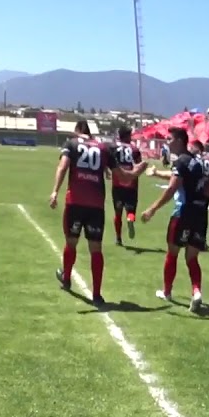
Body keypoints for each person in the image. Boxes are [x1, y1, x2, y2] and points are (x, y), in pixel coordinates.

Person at [50, 120, 144, 307]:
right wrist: (136, 173)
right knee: (96, 249)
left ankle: (67, 278)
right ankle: (97, 294)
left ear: (78, 131)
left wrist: (55, 191)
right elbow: (122, 176)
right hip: (96, 204)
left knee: (71, 242)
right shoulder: (103, 148)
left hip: (75, 201)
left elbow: (63, 167)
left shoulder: (71, 143)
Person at [142, 128, 207, 312]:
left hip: (183, 213)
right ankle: (196, 292)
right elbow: (181, 178)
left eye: (169, 139)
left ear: (179, 141)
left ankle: (167, 291)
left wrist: (152, 209)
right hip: (200, 214)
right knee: (192, 257)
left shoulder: (180, 161)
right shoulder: (197, 161)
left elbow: (172, 188)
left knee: (172, 253)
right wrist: (157, 173)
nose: (167, 142)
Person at [110, 126, 142, 246]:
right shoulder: (134, 149)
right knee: (131, 211)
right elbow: (139, 166)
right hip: (131, 185)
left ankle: (118, 238)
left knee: (118, 213)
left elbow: (109, 162)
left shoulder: (113, 147)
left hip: (117, 183)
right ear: (128, 136)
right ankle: (130, 219)